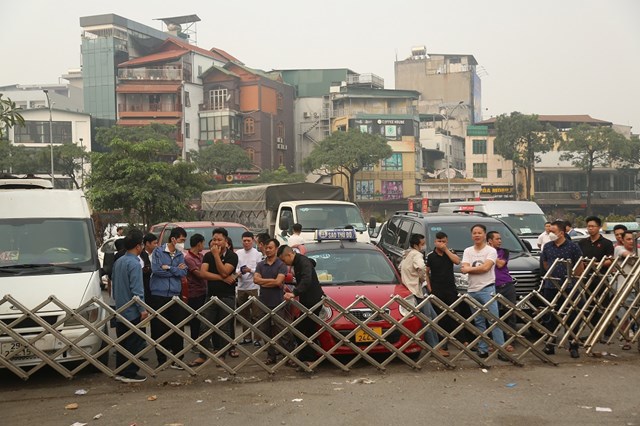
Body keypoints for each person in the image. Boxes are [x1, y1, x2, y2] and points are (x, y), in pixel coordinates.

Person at [190, 227, 239, 366]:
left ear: (226, 241)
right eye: (214, 239)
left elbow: (226, 271)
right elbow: (204, 274)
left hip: (227, 296)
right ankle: (202, 355)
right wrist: (222, 278)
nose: (216, 242)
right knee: (204, 326)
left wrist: (217, 256)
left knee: (224, 327)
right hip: (210, 295)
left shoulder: (232, 256)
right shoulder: (207, 255)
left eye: (219, 240)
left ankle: (222, 355)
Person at [460, 224, 508, 361]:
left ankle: (501, 349)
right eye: (474, 233)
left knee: (494, 320)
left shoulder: (491, 250)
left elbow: (486, 268)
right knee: (478, 321)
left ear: (485, 235)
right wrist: (472, 269)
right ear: (471, 235)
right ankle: (483, 349)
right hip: (472, 290)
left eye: (479, 233)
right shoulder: (468, 251)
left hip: (487, 289)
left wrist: (470, 269)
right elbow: (463, 268)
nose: (477, 235)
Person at [399, 233, 448, 357]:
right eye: (422, 244)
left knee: (433, 316)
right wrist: (421, 279)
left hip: (412, 289)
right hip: (418, 290)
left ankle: (439, 344)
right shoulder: (416, 254)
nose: (424, 246)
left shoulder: (407, 254)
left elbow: (401, 268)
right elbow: (421, 267)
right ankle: (434, 347)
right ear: (416, 245)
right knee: (428, 320)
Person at [540, 220, 584, 358]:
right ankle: (550, 344)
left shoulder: (573, 247)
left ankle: (573, 346)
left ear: (562, 232)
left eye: (553, 231)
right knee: (550, 316)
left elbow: (580, 265)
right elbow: (546, 263)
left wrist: (573, 280)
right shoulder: (547, 246)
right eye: (549, 231)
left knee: (572, 315)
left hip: (569, 286)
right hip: (551, 286)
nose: (550, 234)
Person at [278, 245, 325, 369]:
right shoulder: (299, 262)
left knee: (305, 330)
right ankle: (305, 358)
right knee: (302, 330)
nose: (284, 263)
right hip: (306, 301)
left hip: (313, 301)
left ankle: (309, 359)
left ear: (289, 254)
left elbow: (306, 279)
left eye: (283, 260)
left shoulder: (303, 262)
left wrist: (294, 293)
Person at [149, 227, 188, 369]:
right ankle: (161, 359)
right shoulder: (158, 251)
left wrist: (170, 268)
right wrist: (175, 270)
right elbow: (157, 270)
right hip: (159, 295)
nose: (183, 243)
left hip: (175, 295)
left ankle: (178, 358)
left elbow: (184, 272)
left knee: (178, 327)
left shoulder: (180, 254)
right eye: (181, 240)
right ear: (173, 239)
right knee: (159, 328)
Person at [112, 230, 148, 383]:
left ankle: (120, 370)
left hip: (120, 307)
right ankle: (130, 372)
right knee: (133, 342)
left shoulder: (119, 261)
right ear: (138, 246)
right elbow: (137, 289)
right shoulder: (134, 263)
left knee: (122, 342)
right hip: (132, 310)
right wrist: (142, 309)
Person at [425, 231, 470, 349]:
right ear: (435, 242)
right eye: (439, 241)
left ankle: (463, 340)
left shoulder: (450, 253)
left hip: (450, 289)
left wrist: (446, 250)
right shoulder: (430, 256)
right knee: (440, 317)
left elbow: (457, 261)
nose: (441, 244)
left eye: (443, 241)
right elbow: (426, 272)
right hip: (437, 290)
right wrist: (430, 288)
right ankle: (442, 343)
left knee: (455, 314)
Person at [254, 238, 295, 365]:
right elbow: (255, 280)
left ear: (276, 249)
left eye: (270, 248)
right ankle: (271, 356)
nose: (267, 250)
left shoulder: (281, 265)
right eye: (266, 247)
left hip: (278, 302)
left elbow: (279, 282)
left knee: (283, 331)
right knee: (264, 330)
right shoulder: (260, 264)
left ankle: (289, 356)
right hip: (263, 302)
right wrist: (272, 282)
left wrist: (264, 281)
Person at [577, 216, 614, 338]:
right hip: (587, 278)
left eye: (593, 226)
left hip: (601, 277)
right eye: (588, 226)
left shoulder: (607, 243)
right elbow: (579, 260)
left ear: (599, 227)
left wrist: (595, 264)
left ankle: (608, 330)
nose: (590, 228)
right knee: (588, 305)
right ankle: (595, 329)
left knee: (604, 304)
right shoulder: (582, 243)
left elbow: (610, 261)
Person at [487, 231, 517, 351]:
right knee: (493, 315)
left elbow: (500, 264)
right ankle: (494, 342)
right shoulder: (484, 252)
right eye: (497, 239)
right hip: (492, 286)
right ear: (490, 241)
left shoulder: (503, 251)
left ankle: (510, 341)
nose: (500, 241)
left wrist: (490, 252)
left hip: (507, 286)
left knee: (510, 313)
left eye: (500, 239)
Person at [235, 231, 263, 346]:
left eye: (248, 241)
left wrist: (250, 270)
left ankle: (257, 338)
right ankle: (246, 337)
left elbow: (260, 270)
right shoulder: (238, 253)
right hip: (241, 287)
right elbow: (235, 268)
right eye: (244, 241)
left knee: (256, 314)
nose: (246, 243)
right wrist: (239, 272)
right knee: (244, 314)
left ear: (253, 241)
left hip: (253, 287)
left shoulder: (257, 254)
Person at [613, 230, 636, 350]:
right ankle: (627, 340)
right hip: (624, 288)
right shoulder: (618, 249)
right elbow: (628, 256)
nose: (631, 241)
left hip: (637, 288)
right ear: (622, 240)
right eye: (628, 239)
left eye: (633, 239)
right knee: (623, 316)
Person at [183, 233, 208, 344]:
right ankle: (195, 342)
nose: (204, 246)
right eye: (203, 243)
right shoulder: (188, 258)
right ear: (199, 244)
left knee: (204, 318)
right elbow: (199, 274)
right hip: (194, 292)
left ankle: (203, 341)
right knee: (195, 319)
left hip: (203, 290)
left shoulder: (201, 256)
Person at [140, 233, 158, 301]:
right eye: (154, 243)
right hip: (145, 286)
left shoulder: (158, 254)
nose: (156, 245)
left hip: (156, 287)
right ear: (147, 243)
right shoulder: (140, 254)